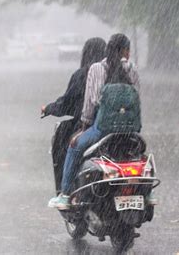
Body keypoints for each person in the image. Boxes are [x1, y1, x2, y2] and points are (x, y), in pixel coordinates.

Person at [48, 33, 140, 209]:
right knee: (138, 155)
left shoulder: (96, 69)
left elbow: (91, 102)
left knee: (74, 146)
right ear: (125, 51)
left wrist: (84, 124)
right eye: (128, 50)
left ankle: (66, 194)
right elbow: (137, 99)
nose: (129, 53)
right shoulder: (132, 69)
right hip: (129, 129)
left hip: (102, 128)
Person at [42, 38, 106, 194]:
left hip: (89, 125)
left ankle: (66, 191)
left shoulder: (83, 74)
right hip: (113, 125)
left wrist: (49, 108)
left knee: (65, 141)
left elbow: (68, 104)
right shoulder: (114, 73)